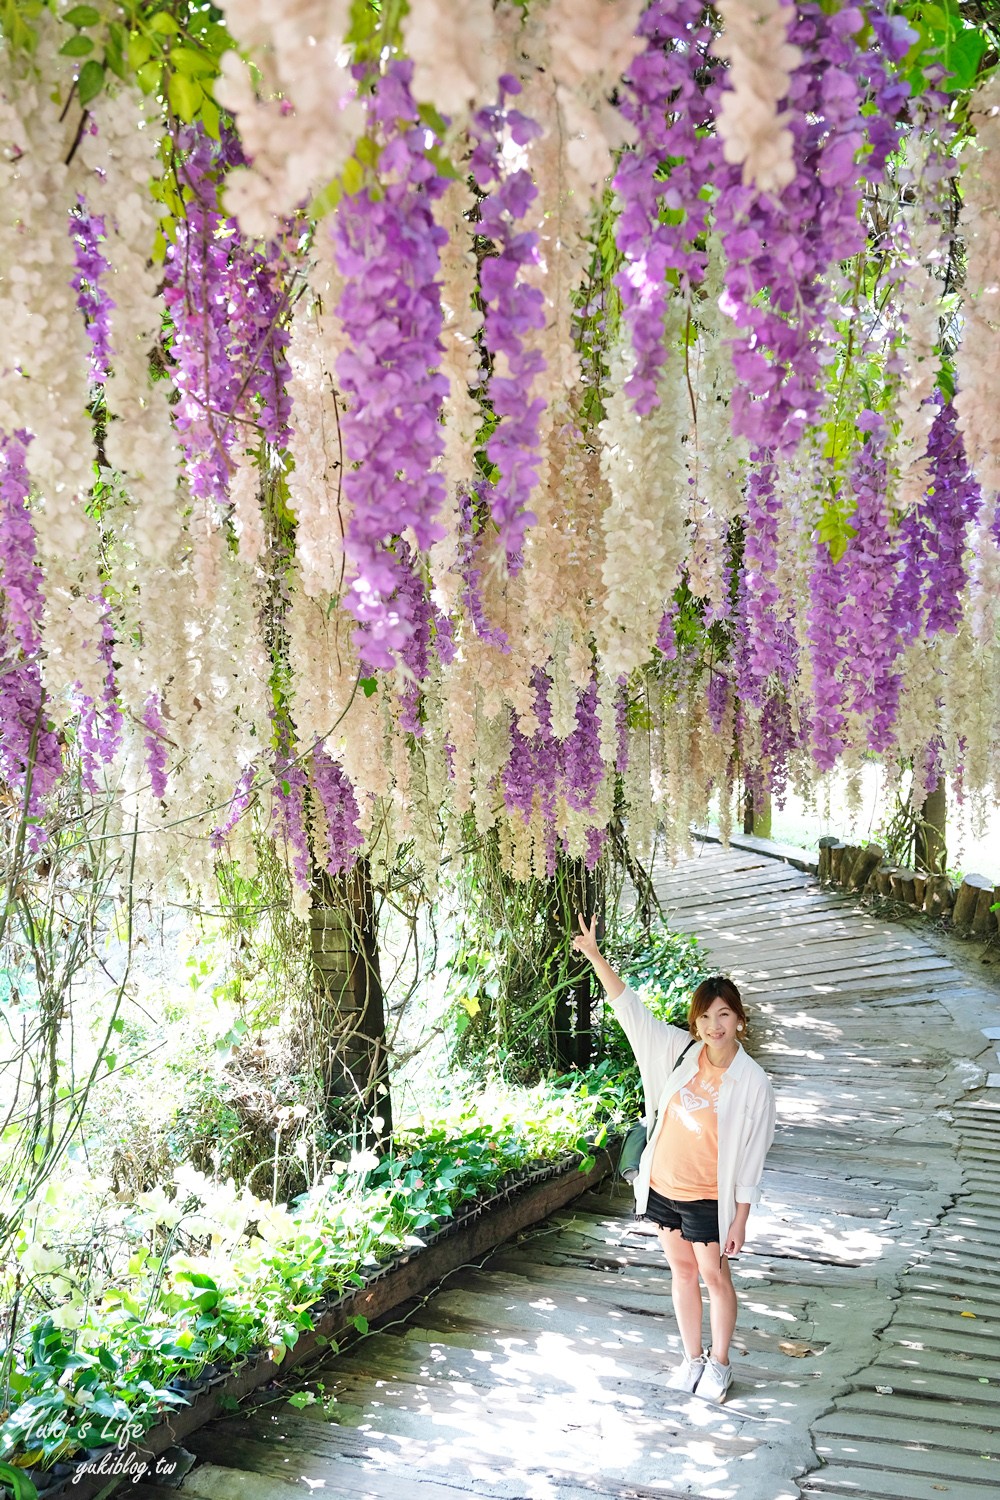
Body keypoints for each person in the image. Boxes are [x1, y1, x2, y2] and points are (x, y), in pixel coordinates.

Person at [572, 913, 776, 1404]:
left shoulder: (754, 1083)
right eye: (705, 1017)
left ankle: (721, 1363)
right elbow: (630, 1010)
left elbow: (752, 1160)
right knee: (681, 1273)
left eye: (723, 1015)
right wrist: (597, 958)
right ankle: (692, 1358)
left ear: (740, 1020)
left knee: (714, 1276)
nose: (713, 1025)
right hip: (664, 1186)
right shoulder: (679, 1052)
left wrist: (740, 1219)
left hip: (710, 1198)